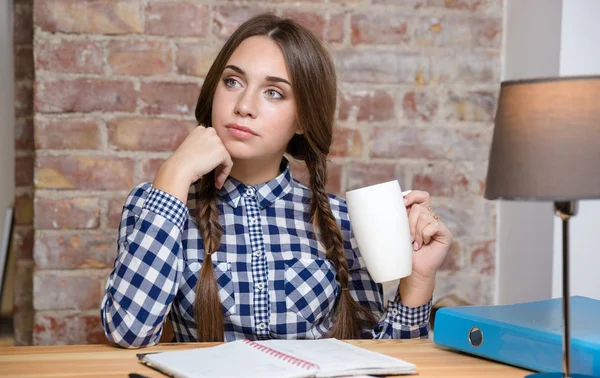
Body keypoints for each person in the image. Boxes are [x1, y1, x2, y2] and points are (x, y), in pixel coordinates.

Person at [100, 13, 452, 348]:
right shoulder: (158, 201)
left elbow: (380, 359)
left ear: (302, 119)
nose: (244, 105)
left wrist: (419, 279)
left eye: (274, 92)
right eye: (233, 82)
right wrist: (175, 172)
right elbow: (129, 331)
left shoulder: (343, 221)